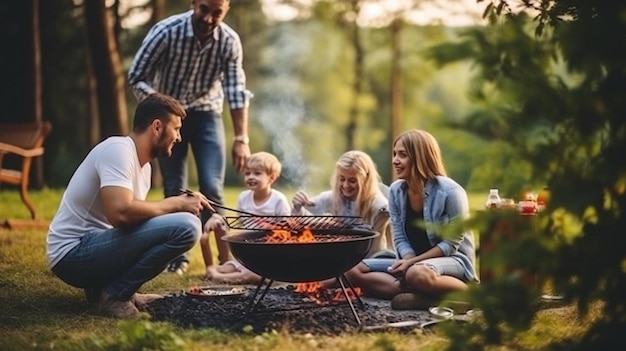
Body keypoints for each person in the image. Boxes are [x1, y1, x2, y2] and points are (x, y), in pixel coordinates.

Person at [46, 93, 213, 320]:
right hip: (73, 254)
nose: (179, 137)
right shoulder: (118, 150)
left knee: (180, 223)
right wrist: (175, 204)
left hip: (96, 248)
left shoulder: (144, 167)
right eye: (176, 129)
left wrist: (176, 207)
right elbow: (120, 214)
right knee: (188, 227)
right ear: (156, 127)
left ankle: (121, 291)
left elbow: (136, 221)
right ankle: (115, 295)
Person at [127, 0, 252, 274]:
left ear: (226, 10)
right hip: (170, 112)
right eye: (203, 9)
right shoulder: (166, 31)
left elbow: (236, 91)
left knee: (212, 186)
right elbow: (137, 75)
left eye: (216, 12)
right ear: (193, 3)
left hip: (207, 114)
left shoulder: (229, 41)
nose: (208, 18)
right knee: (175, 186)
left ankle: (226, 260)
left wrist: (241, 138)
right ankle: (177, 258)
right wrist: (162, 107)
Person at [341, 129, 478, 310]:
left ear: (420, 157)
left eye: (402, 155)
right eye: (395, 154)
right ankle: (426, 297)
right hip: (413, 262)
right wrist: (408, 259)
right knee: (352, 270)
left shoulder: (451, 192)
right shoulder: (397, 191)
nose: (395, 160)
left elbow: (451, 244)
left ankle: (474, 296)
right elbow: (399, 236)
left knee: (416, 274)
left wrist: (412, 264)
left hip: (452, 260)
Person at [204, 151, 291, 284]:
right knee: (228, 267)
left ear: (272, 178)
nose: (251, 177)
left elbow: (286, 230)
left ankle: (219, 277)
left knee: (251, 274)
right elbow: (238, 223)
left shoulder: (278, 200)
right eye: (247, 173)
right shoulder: (244, 197)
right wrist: (220, 220)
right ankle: (220, 271)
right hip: (248, 251)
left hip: (270, 252)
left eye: (257, 173)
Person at [291, 150, 393, 258]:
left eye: (352, 181)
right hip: (342, 258)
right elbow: (304, 219)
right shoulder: (333, 198)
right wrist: (298, 207)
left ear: (365, 180)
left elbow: (377, 247)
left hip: (370, 260)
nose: (345, 185)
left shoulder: (379, 206)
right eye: (342, 179)